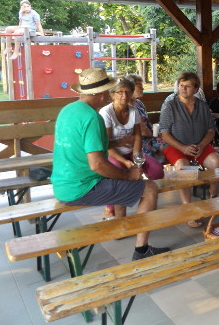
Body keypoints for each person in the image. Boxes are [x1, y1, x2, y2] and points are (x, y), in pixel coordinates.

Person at [50, 68, 169, 261]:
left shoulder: (68, 110)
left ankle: (122, 224)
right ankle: (141, 250)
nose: (109, 95)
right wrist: (128, 175)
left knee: (125, 181)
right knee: (150, 188)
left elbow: (86, 146)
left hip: (61, 185)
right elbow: (97, 165)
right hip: (82, 187)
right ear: (102, 93)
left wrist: (116, 142)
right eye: (109, 90)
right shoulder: (93, 117)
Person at [160, 71, 219, 225]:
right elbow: (164, 133)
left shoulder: (202, 106)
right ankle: (188, 211)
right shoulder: (170, 106)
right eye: (181, 85)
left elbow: (211, 130)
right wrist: (183, 148)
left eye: (187, 86)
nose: (183, 89)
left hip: (200, 145)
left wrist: (202, 145)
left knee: (217, 162)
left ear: (195, 89)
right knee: (183, 167)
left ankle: (213, 199)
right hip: (176, 146)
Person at [99, 78, 164, 219]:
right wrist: (125, 162)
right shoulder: (106, 112)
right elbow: (107, 144)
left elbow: (137, 136)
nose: (124, 95)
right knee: (119, 177)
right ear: (112, 94)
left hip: (131, 152)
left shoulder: (134, 111)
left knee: (157, 170)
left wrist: (136, 158)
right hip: (113, 154)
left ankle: (144, 199)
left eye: (128, 92)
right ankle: (110, 208)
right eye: (120, 92)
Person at [125, 74, 163, 160]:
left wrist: (156, 132)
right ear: (130, 87)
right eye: (139, 85)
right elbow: (143, 131)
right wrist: (155, 135)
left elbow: (146, 124)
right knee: (165, 144)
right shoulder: (127, 107)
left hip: (149, 137)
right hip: (138, 143)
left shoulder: (138, 103)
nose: (143, 88)